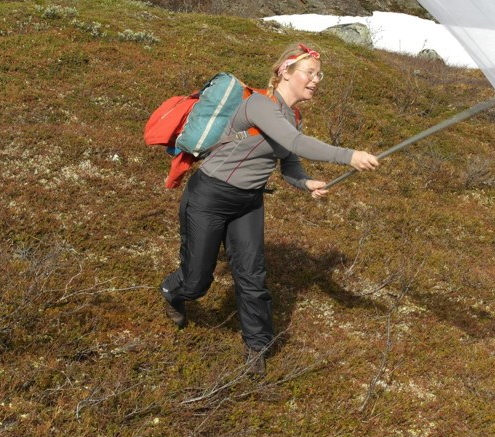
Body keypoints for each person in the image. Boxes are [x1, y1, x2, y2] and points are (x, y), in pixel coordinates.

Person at [159, 43, 380, 374]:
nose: (316, 79)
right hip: (210, 197)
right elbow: (295, 143)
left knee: (252, 276)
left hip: (249, 202)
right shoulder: (259, 104)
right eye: (310, 72)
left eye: (320, 74)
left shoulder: (292, 116)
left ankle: (257, 347)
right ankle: (171, 291)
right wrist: (348, 155)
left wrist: (305, 183)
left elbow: (289, 160)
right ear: (285, 71)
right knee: (196, 282)